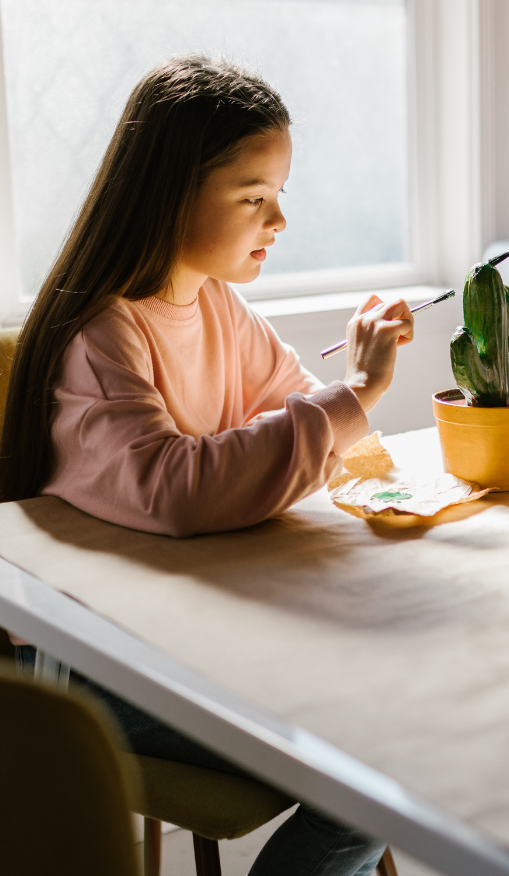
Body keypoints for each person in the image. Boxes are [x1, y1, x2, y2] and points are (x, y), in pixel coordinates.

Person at [0, 55, 410, 874]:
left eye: (280, 197)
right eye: (254, 198)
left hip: (192, 634)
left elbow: (303, 420)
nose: (279, 222)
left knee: (394, 723)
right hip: (99, 670)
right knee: (372, 776)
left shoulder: (219, 304)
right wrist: (356, 394)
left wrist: (351, 447)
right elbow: (178, 488)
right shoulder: (102, 335)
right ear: (170, 193)